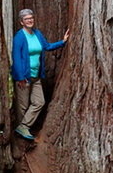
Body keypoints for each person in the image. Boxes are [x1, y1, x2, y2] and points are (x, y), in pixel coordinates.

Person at [11, 8, 70, 140]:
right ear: (22, 22)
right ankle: (19, 134)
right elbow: (16, 58)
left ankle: (23, 127)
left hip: (36, 76)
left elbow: (47, 46)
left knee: (39, 102)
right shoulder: (19, 37)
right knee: (23, 105)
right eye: (26, 19)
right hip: (24, 77)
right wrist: (20, 78)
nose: (30, 20)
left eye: (31, 18)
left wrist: (63, 42)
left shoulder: (37, 34)